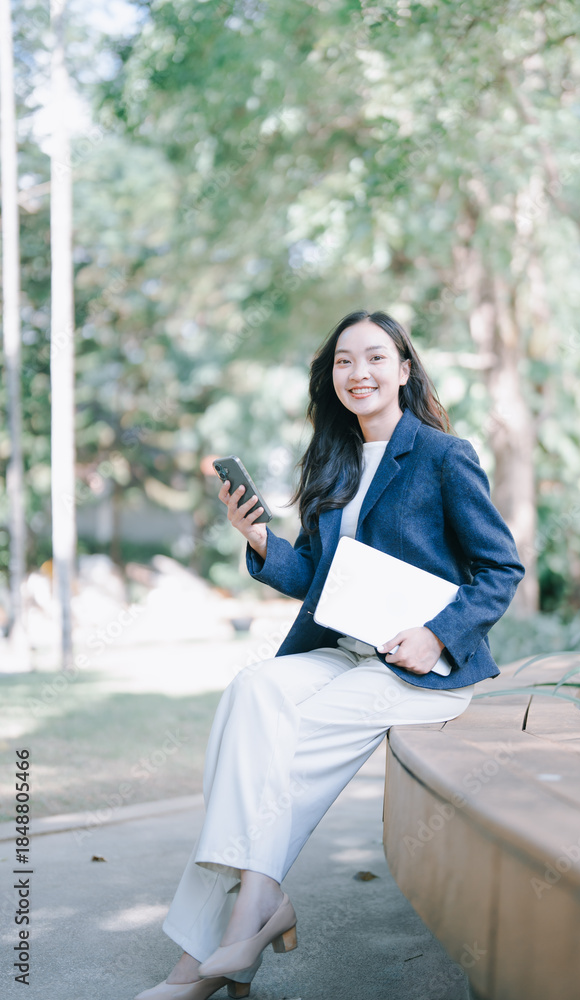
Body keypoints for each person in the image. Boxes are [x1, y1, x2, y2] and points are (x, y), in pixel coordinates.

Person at [135, 310, 525, 1000]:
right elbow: (317, 576)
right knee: (253, 692)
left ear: (404, 370)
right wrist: (258, 542)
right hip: (343, 648)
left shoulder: (442, 454)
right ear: (331, 377)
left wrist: (436, 632)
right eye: (344, 361)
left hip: (420, 669)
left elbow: (499, 569)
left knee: (277, 750)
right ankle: (256, 914)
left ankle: (202, 959)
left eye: (375, 358)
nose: (359, 373)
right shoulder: (334, 459)